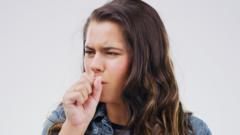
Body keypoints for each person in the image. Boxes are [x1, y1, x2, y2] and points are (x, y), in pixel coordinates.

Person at [42, 0, 212, 134]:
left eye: (111, 53)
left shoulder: (192, 131)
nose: (94, 65)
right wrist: (74, 128)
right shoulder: (64, 121)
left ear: (144, 60)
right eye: (90, 51)